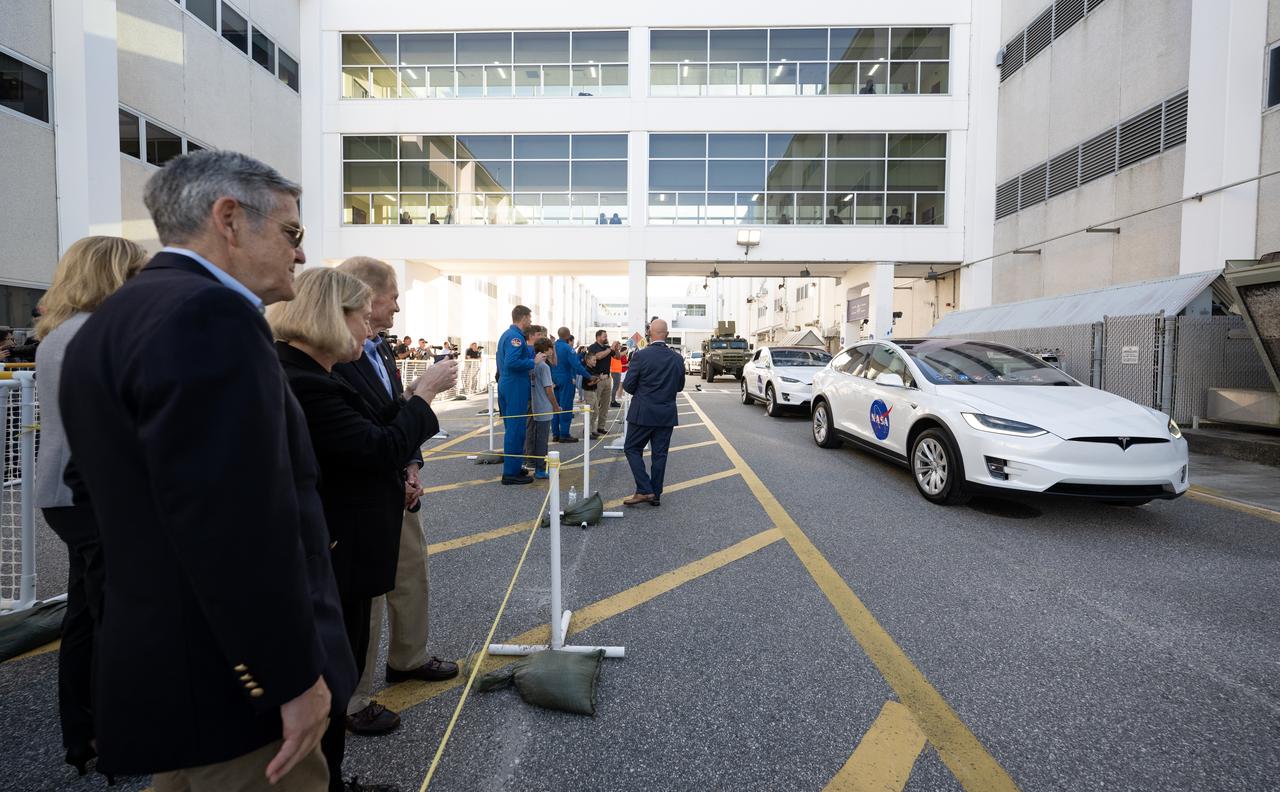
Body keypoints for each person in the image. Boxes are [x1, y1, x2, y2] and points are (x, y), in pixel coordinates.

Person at [59, 150, 356, 789]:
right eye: (291, 232)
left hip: (173, 666)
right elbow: (236, 521)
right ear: (229, 219)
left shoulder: (110, 319)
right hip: (236, 689)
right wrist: (288, 677)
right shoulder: (211, 315)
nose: (300, 255)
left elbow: (96, 497)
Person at [270, 267, 450, 792]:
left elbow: (374, 435)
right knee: (332, 673)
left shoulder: (313, 375)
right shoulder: (306, 381)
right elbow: (376, 446)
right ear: (331, 316)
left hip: (346, 543)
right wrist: (424, 397)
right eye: (360, 315)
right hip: (334, 549)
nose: (371, 327)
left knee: (337, 666)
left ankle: (330, 776)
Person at [331, 257, 460, 741]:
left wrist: (411, 465)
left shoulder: (378, 351)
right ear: (365, 296)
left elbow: (391, 414)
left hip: (395, 484)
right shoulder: (335, 357)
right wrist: (423, 395)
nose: (398, 308)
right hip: (362, 495)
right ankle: (355, 697)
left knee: (410, 574)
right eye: (393, 297)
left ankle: (408, 657)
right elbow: (365, 433)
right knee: (366, 596)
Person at [33, 236, 147, 779]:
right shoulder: (99, 335)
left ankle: (85, 735)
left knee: (85, 617)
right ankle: (116, 732)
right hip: (92, 493)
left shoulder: (59, 334)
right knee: (112, 618)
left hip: (62, 494)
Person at [622, 319, 685, 507]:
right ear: (666, 333)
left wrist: (643, 394)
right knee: (660, 454)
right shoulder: (677, 358)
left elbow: (628, 385)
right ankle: (655, 493)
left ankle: (644, 489)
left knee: (632, 448)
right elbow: (680, 386)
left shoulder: (641, 356)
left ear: (650, 332)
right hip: (666, 413)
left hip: (642, 412)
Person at [498, 305, 545, 485]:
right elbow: (512, 362)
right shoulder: (515, 337)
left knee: (515, 429)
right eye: (529, 319)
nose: (530, 322)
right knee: (516, 430)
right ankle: (510, 473)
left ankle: (515, 466)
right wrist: (533, 362)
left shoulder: (508, 335)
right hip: (514, 385)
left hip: (510, 383)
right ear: (523, 318)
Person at [551, 327, 593, 443]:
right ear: (568, 335)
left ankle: (555, 434)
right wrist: (589, 376)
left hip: (553, 378)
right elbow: (576, 365)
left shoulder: (552, 346)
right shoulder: (567, 348)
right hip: (565, 378)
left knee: (555, 406)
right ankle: (564, 434)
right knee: (565, 407)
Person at [524, 338, 556, 479]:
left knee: (536, 437)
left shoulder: (533, 365)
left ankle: (535, 464)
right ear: (546, 349)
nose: (553, 350)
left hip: (535, 405)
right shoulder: (544, 366)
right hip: (544, 407)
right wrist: (556, 406)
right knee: (542, 440)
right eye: (551, 347)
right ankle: (540, 469)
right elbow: (548, 390)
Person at [585, 330, 616, 438]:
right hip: (597, 378)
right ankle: (591, 429)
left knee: (605, 405)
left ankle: (601, 427)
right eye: (604, 336)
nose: (606, 337)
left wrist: (615, 349)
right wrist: (610, 349)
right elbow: (598, 356)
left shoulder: (607, 347)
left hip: (607, 378)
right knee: (594, 405)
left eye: (606, 336)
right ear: (598, 337)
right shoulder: (593, 347)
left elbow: (617, 357)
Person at [609, 342, 624, 408]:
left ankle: (613, 401)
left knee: (616, 387)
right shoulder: (614, 352)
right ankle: (612, 401)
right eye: (618, 345)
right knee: (615, 387)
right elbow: (619, 356)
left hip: (616, 371)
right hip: (615, 371)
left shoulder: (615, 352)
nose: (619, 346)